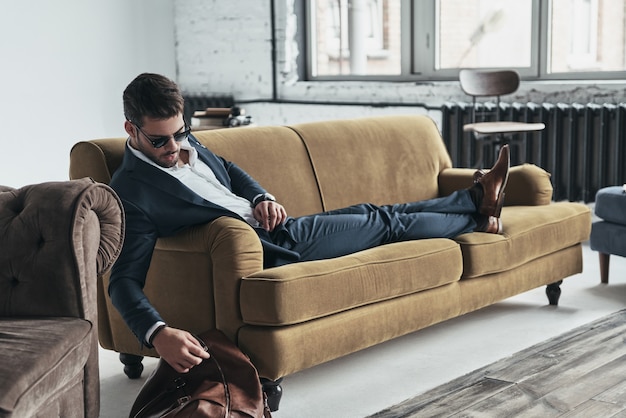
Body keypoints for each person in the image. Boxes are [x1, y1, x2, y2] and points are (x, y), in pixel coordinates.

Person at [109, 73, 510, 373]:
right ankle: (477, 206)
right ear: (131, 128)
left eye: (181, 133)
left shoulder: (181, 141)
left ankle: (478, 206)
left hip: (281, 226)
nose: (175, 147)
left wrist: (261, 197)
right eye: (161, 141)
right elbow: (122, 280)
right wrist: (158, 333)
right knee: (384, 223)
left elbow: (229, 171)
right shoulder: (131, 191)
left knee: (377, 212)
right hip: (278, 251)